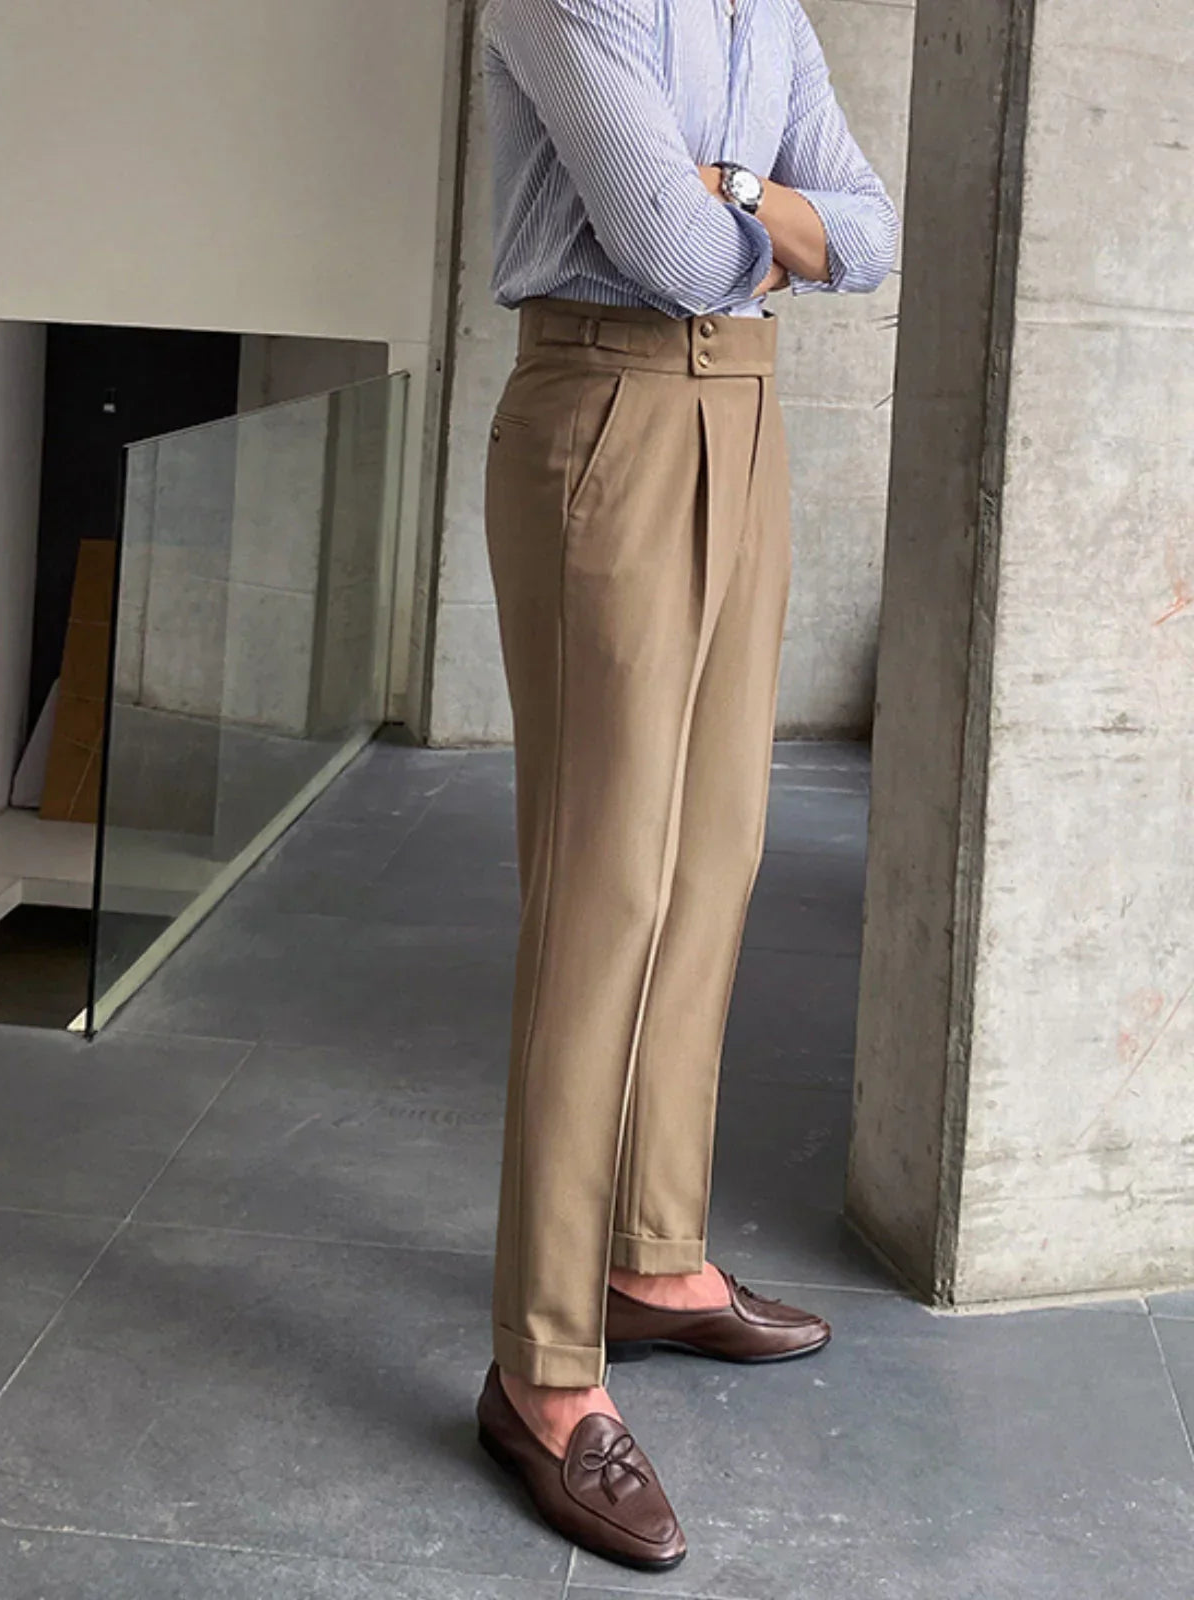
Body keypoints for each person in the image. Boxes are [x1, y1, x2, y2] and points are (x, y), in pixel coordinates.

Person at [474, 0, 898, 1571]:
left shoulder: (765, 8)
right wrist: (765, 221)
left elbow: (874, 232)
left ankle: (652, 1259)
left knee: (715, 859)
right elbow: (659, 245)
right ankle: (542, 1367)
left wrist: (737, 201)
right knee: (604, 891)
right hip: (602, 408)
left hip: (748, 412)